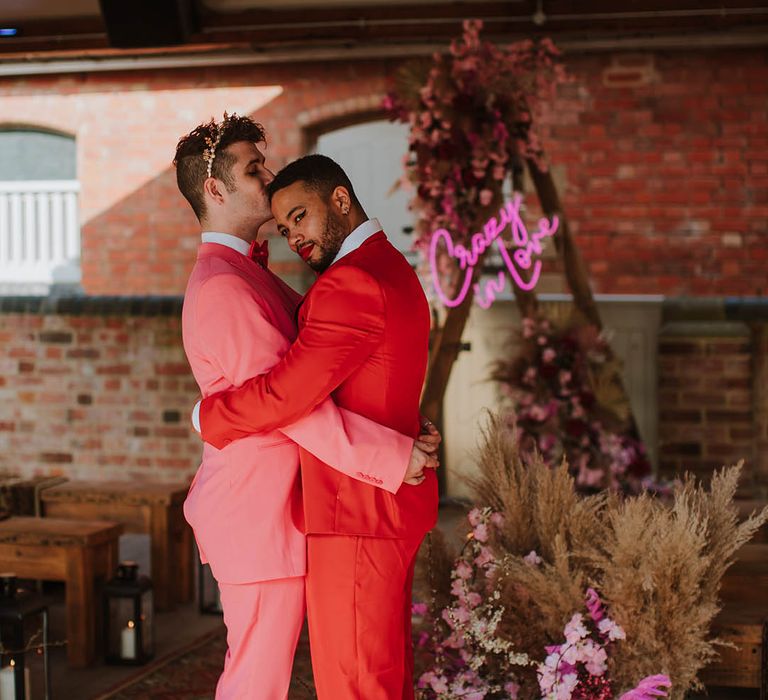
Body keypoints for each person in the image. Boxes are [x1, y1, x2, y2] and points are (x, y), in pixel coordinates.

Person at [174, 114, 438, 700]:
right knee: (258, 684)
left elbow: (325, 375)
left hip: (307, 510)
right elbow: (290, 402)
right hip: (259, 514)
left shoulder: (253, 274)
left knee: (346, 674)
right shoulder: (224, 285)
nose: (267, 181)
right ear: (214, 190)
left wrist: (401, 423)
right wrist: (392, 453)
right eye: (253, 169)